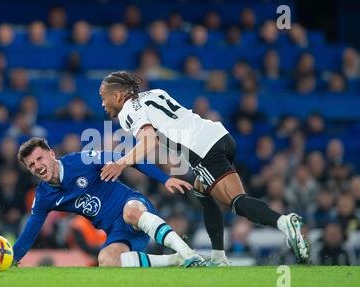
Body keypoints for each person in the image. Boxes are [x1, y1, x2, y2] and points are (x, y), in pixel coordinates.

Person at [99, 71, 310, 265]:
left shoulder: (127, 112)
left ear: (117, 96)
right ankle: (219, 256)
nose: (102, 103)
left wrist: (120, 163)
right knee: (202, 191)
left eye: (103, 97)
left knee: (236, 202)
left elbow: (149, 141)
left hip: (202, 150)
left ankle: (283, 222)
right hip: (219, 136)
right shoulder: (154, 93)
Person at [12, 137, 205, 268]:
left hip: (132, 205)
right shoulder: (44, 196)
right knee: (107, 260)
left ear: (52, 154)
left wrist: (164, 179)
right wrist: (10, 259)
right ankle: (174, 260)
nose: (37, 166)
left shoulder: (82, 161)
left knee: (129, 213)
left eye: (39, 158)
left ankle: (189, 254)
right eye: (31, 165)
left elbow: (130, 160)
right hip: (115, 230)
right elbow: (30, 232)